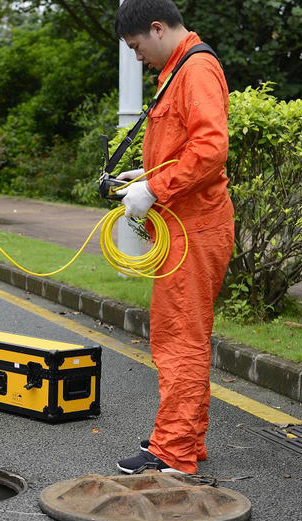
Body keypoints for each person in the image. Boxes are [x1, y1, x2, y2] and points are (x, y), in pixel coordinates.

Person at [113, 0, 234, 475]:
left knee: (179, 339)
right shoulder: (177, 69)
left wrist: (155, 187)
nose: (138, 56)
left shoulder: (195, 69)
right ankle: (186, 439)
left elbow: (211, 147)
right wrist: (147, 173)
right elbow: (187, 145)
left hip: (195, 226)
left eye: (137, 46)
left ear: (157, 29)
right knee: (185, 335)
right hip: (185, 223)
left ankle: (174, 453)